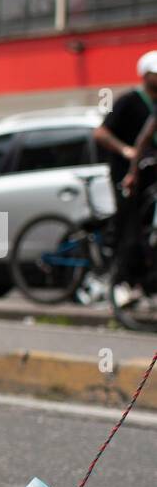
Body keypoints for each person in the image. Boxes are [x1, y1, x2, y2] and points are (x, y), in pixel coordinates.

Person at [98, 51, 157, 303]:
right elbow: (100, 133)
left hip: (151, 175)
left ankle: (144, 284)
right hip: (127, 175)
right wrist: (126, 150)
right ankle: (119, 282)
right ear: (145, 75)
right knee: (129, 227)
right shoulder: (128, 101)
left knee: (147, 232)